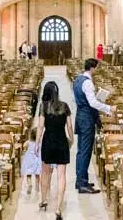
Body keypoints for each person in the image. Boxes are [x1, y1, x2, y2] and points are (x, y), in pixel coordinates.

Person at [73, 58, 113, 193]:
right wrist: (108, 108)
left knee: (80, 151)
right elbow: (92, 103)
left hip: (80, 117)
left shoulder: (78, 80)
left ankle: (80, 180)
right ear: (92, 68)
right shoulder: (88, 83)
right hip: (87, 119)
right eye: (97, 68)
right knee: (85, 151)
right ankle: (82, 183)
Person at [36, 81, 73, 220]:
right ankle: (58, 208)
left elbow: (40, 126)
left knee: (45, 173)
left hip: (48, 142)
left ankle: (44, 200)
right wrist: (71, 139)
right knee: (61, 176)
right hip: (62, 141)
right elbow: (69, 126)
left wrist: (37, 143)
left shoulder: (43, 107)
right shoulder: (65, 106)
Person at [21, 127, 41, 194]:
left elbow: (24, 146)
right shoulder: (39, 143)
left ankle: (29, 184)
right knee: (37, 174)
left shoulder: (28, 142)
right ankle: (37, 187)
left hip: (29, 159)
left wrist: (26, 149)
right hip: (36, 160)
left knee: (28, 174)